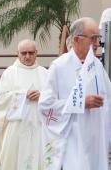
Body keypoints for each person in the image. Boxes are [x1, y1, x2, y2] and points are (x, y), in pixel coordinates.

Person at [38, 17, 111, 170]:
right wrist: (81, 102)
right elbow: (45, 106)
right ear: (77, 39)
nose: (97, 43)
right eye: (93, 38)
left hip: (97, 142)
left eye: (98, 38)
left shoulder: (97, 66)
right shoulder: (59, 66)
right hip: (72, 141)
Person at [0, 39, 48, 170]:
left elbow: (53, 97)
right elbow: (1, 99)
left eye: (31, 53)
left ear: (37, 53)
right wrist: (23, 95)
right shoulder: (10, 72)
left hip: (39, 125)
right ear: (17, 53)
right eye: (23, 53)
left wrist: (42, 95)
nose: (27, 56)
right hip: (16, 126)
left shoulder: (44, 73)